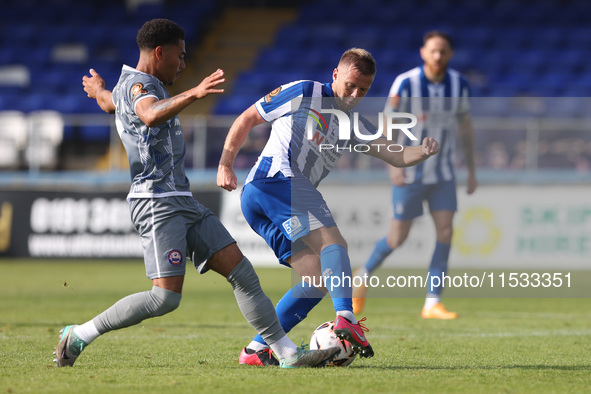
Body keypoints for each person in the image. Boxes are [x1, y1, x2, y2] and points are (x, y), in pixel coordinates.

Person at [54, 18, 339, 369]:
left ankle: (286, 353)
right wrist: (194, 92)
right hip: (156, 204)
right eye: (180, 56)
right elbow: (147, 115)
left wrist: (98, 90)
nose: (184, 64)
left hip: (183, 201)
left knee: (242, 273)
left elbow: (110, 103)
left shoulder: (133, 86)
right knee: (164, 298)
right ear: (159, 52)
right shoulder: (141, 87)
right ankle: (79, 334)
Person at [217, 48, 440, 365]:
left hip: (263, 199)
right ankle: (346, 318)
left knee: (319, 279)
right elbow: (248, 118)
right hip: (277, 181)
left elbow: (395, 154)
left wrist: (423, 150)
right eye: (350, 84)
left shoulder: (351, 123)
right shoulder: (305, 90)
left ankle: (257, 350)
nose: (354, 94)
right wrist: (225, 164)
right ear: (335, 75)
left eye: (363, 89)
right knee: (334, 244)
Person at [352, 31, 477, 319]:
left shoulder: (459, 84)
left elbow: (465, 128)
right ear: (423, 52)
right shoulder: (406, 83)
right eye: (433, 50)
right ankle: (362, 275)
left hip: (443, 172)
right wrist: (393, 163)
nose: (437, 56)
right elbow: (388, 123)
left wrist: (471, 170)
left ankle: (432, 302)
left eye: (443, 51)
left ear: (450, 55)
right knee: (397, 238)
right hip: (410, 171)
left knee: (445, 231)